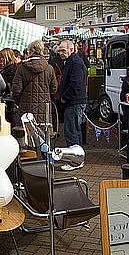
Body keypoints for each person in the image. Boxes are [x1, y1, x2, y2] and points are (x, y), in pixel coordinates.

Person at [57, 40, 88, 168]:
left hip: (74, 102)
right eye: (59, 51)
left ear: (71, 50)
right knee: (75, 130)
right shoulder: (70, 62)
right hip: (74, 101)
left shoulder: (75, 63)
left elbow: (76, 84)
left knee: (71, 131)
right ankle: (78, 159)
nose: (61, 53)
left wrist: (64, 97)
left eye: (63, 50)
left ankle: (75, 161)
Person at [12, 40, 58, 126]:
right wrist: (46, 96)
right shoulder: (49, 68)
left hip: (26, 106)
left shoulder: (22, 67)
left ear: (32, 51)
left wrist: (20, 102)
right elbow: (54, 89)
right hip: (44, 107)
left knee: (26, 134)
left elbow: (16, 89)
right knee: (43, 134)